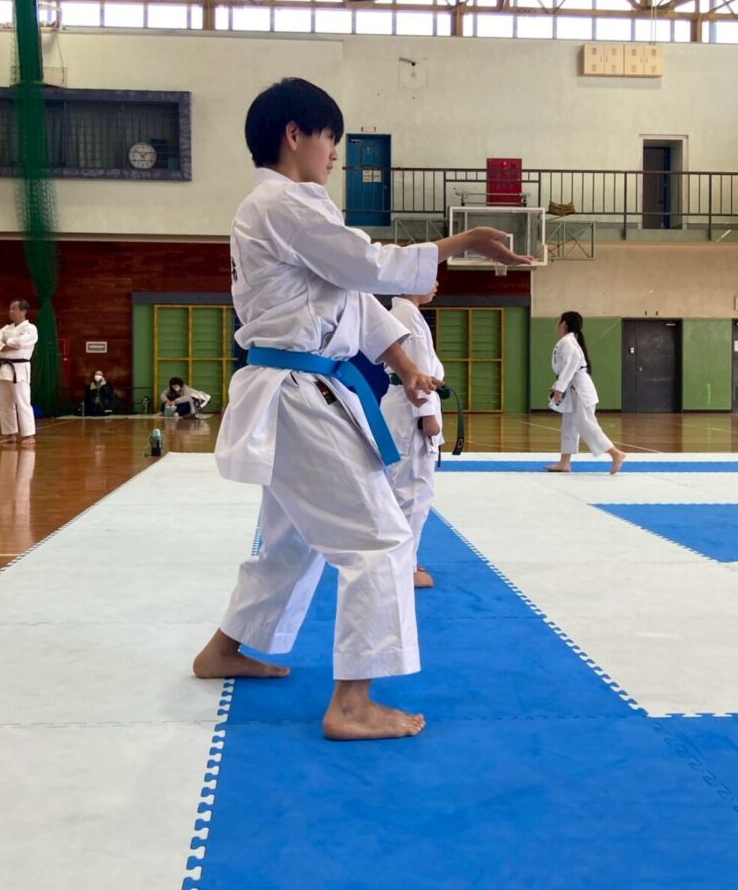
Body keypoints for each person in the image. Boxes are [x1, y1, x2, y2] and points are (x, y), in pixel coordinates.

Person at [193, 77, 532, 742]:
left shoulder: (290, 212)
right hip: (299, 396)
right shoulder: (282, 204)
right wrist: (457, 243)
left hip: (297, 392)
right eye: (331, 140)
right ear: (295, 134)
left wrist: (406, 367)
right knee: (380, 539)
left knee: (293, 540)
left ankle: (224, 649)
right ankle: (351, 703)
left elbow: (355, 302)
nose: (335, 156)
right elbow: (367, 266)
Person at [380, 282, 443, 589]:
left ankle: (403, 557)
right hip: (412, 410)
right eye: (432, 277)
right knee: (414, 490)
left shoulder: (402, 312)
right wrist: (427, 413)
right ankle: (403, 567)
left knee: (400, 486)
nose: (436, 284)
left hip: (401, 407)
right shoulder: (408, 316)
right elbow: (416, 372)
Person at [545, 310, 626, 475]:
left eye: (558, 321)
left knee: (585, 424)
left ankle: (615, 453)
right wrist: (558, 387)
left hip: (579, 390)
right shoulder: (569, 341)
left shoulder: (568, 342)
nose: (556, 324)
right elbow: (567, 370)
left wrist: (559, 389)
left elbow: (570, 367)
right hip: (573, 387)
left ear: (564, 324)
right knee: (569, 425)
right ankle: (564, 462)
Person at [0, 299, 38, 445]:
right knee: (4, 403)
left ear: (23, 311)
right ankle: (10, 434)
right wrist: (10, 345)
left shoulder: (31, 328)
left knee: (22, 402)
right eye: (10, 309)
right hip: (5, 369)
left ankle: (29, 435)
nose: (11, 312)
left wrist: (7, 343)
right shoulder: (6, 328)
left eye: (14, 309)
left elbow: (21, 342)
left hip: (20, 369)